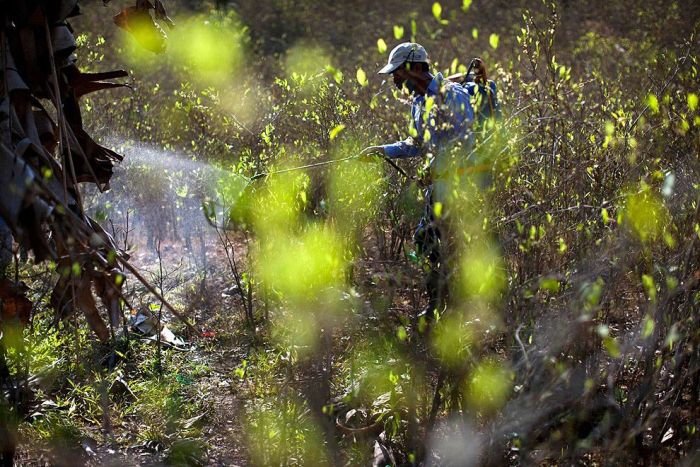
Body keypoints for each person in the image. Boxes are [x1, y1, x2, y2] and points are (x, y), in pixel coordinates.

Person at [360, 42, 475, 322]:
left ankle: (456, 314)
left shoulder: (453, 96)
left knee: (453, 250)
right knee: (426, 244)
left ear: (413, 67)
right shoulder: (419, 102)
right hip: (437, 191)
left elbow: (466, 143)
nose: (395, 80)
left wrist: (436, 168)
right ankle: (437, 309)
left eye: (398, 73)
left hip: (460, 189)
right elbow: (416, 143)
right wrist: (383, 151)